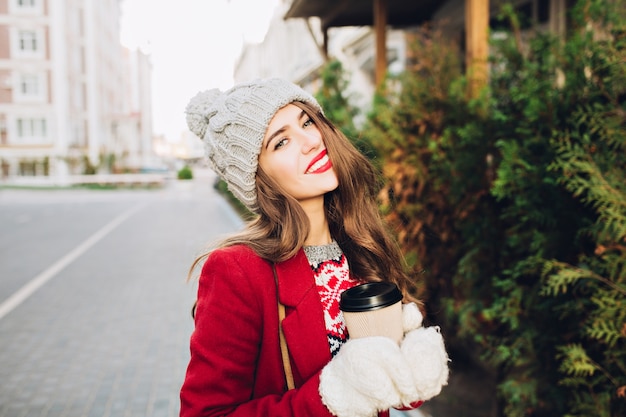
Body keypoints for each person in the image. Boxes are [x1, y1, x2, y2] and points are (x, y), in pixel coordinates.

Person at [180, 78, 449, 417]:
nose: (310, 141)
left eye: (307, 122)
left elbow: (383, 386)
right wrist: (333, 394)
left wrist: (411, 364)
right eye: (281, 142)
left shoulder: (360, 243)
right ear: (257, 178)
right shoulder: (238, 270)